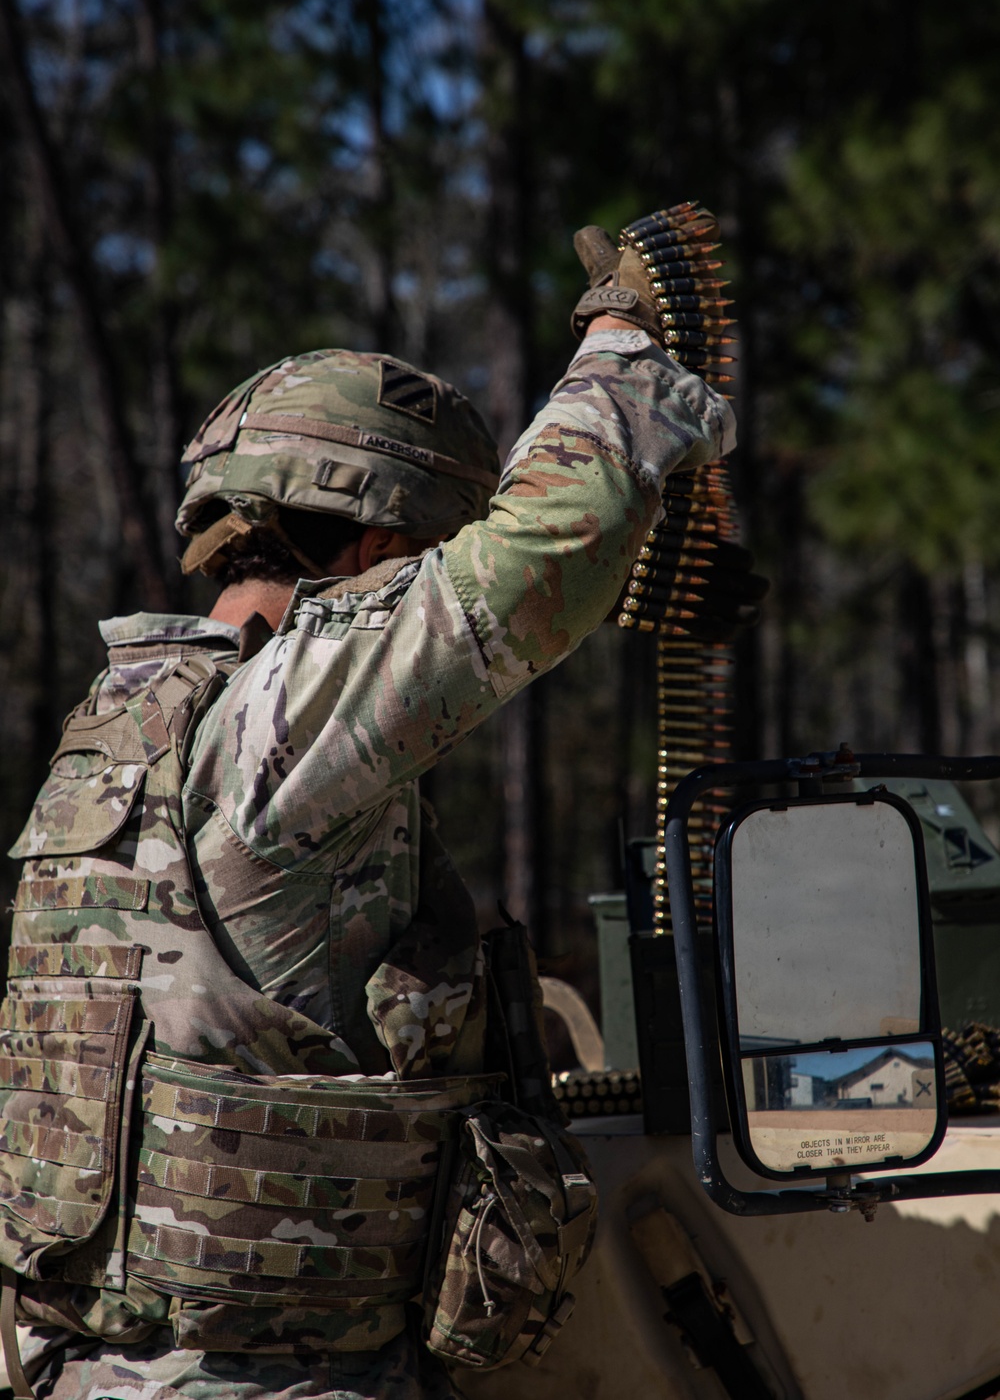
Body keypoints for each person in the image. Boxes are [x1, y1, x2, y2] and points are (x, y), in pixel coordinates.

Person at [0, 229, 736, 1400]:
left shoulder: (126, 727)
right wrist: (621, 348)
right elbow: (550, 548)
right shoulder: (279, 713)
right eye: (429, 553)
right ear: (387, 538)